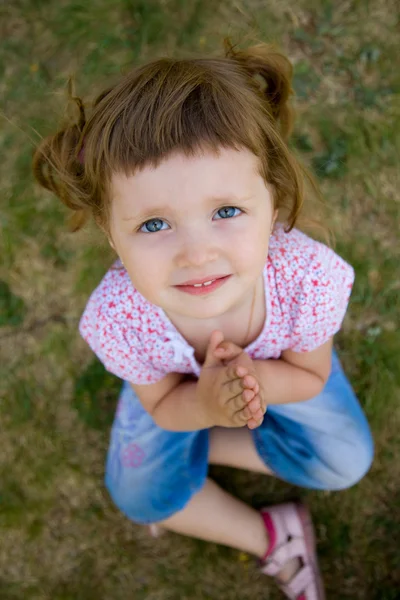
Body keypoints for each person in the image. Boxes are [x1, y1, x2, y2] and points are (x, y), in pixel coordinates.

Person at [33, 40, 373, 600]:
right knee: (138, 496)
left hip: (277, 376)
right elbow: (166, 405)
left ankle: (202, 448)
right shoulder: (120, 318)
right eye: (152, 225)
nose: (196, 253)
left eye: (226, 212)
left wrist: (250, 385)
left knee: (347, 461)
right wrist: (209, 406)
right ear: (109, 232)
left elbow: (310, 376)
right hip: (176, 394)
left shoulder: (307, 279)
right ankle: (271, 534)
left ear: (272, 198)